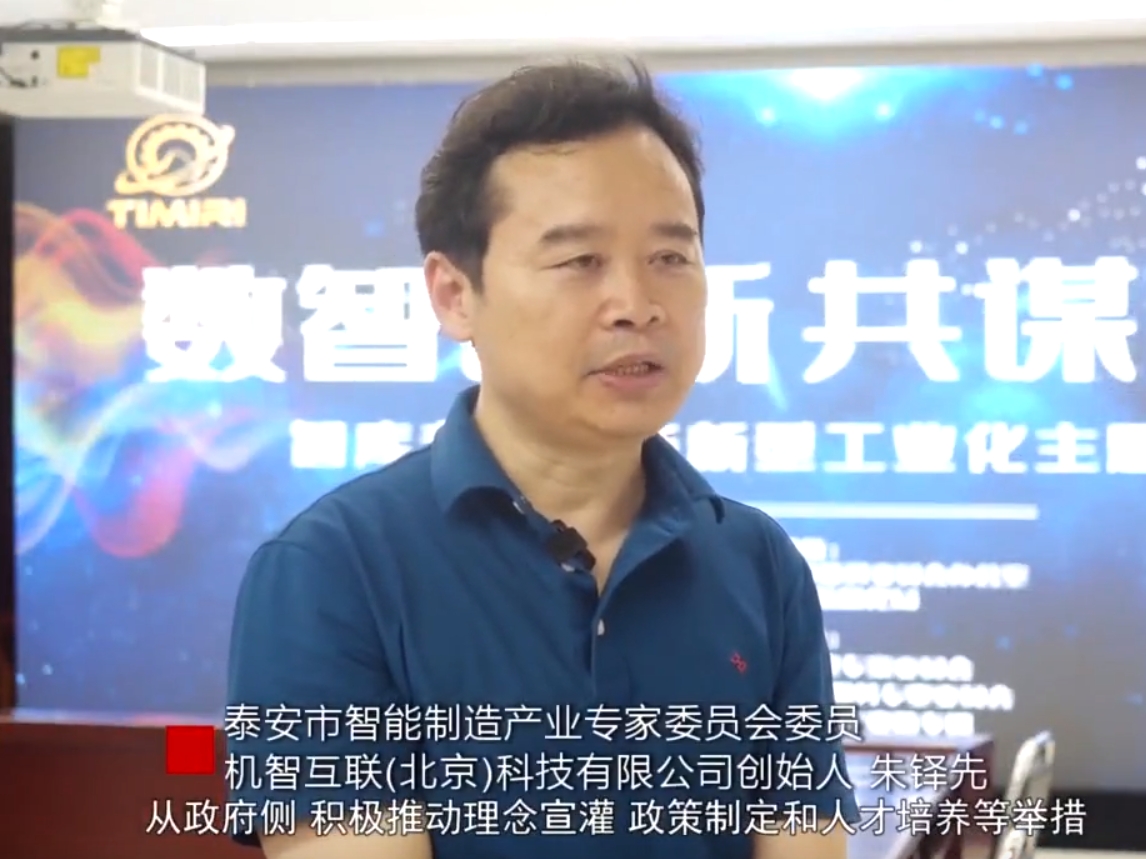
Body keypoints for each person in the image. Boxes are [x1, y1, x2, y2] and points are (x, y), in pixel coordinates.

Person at [227, 59, 856, 859]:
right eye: (579, 260)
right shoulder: (330, 569)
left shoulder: (759, 563)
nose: (636, 304)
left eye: (671, 256)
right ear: (455, 294)